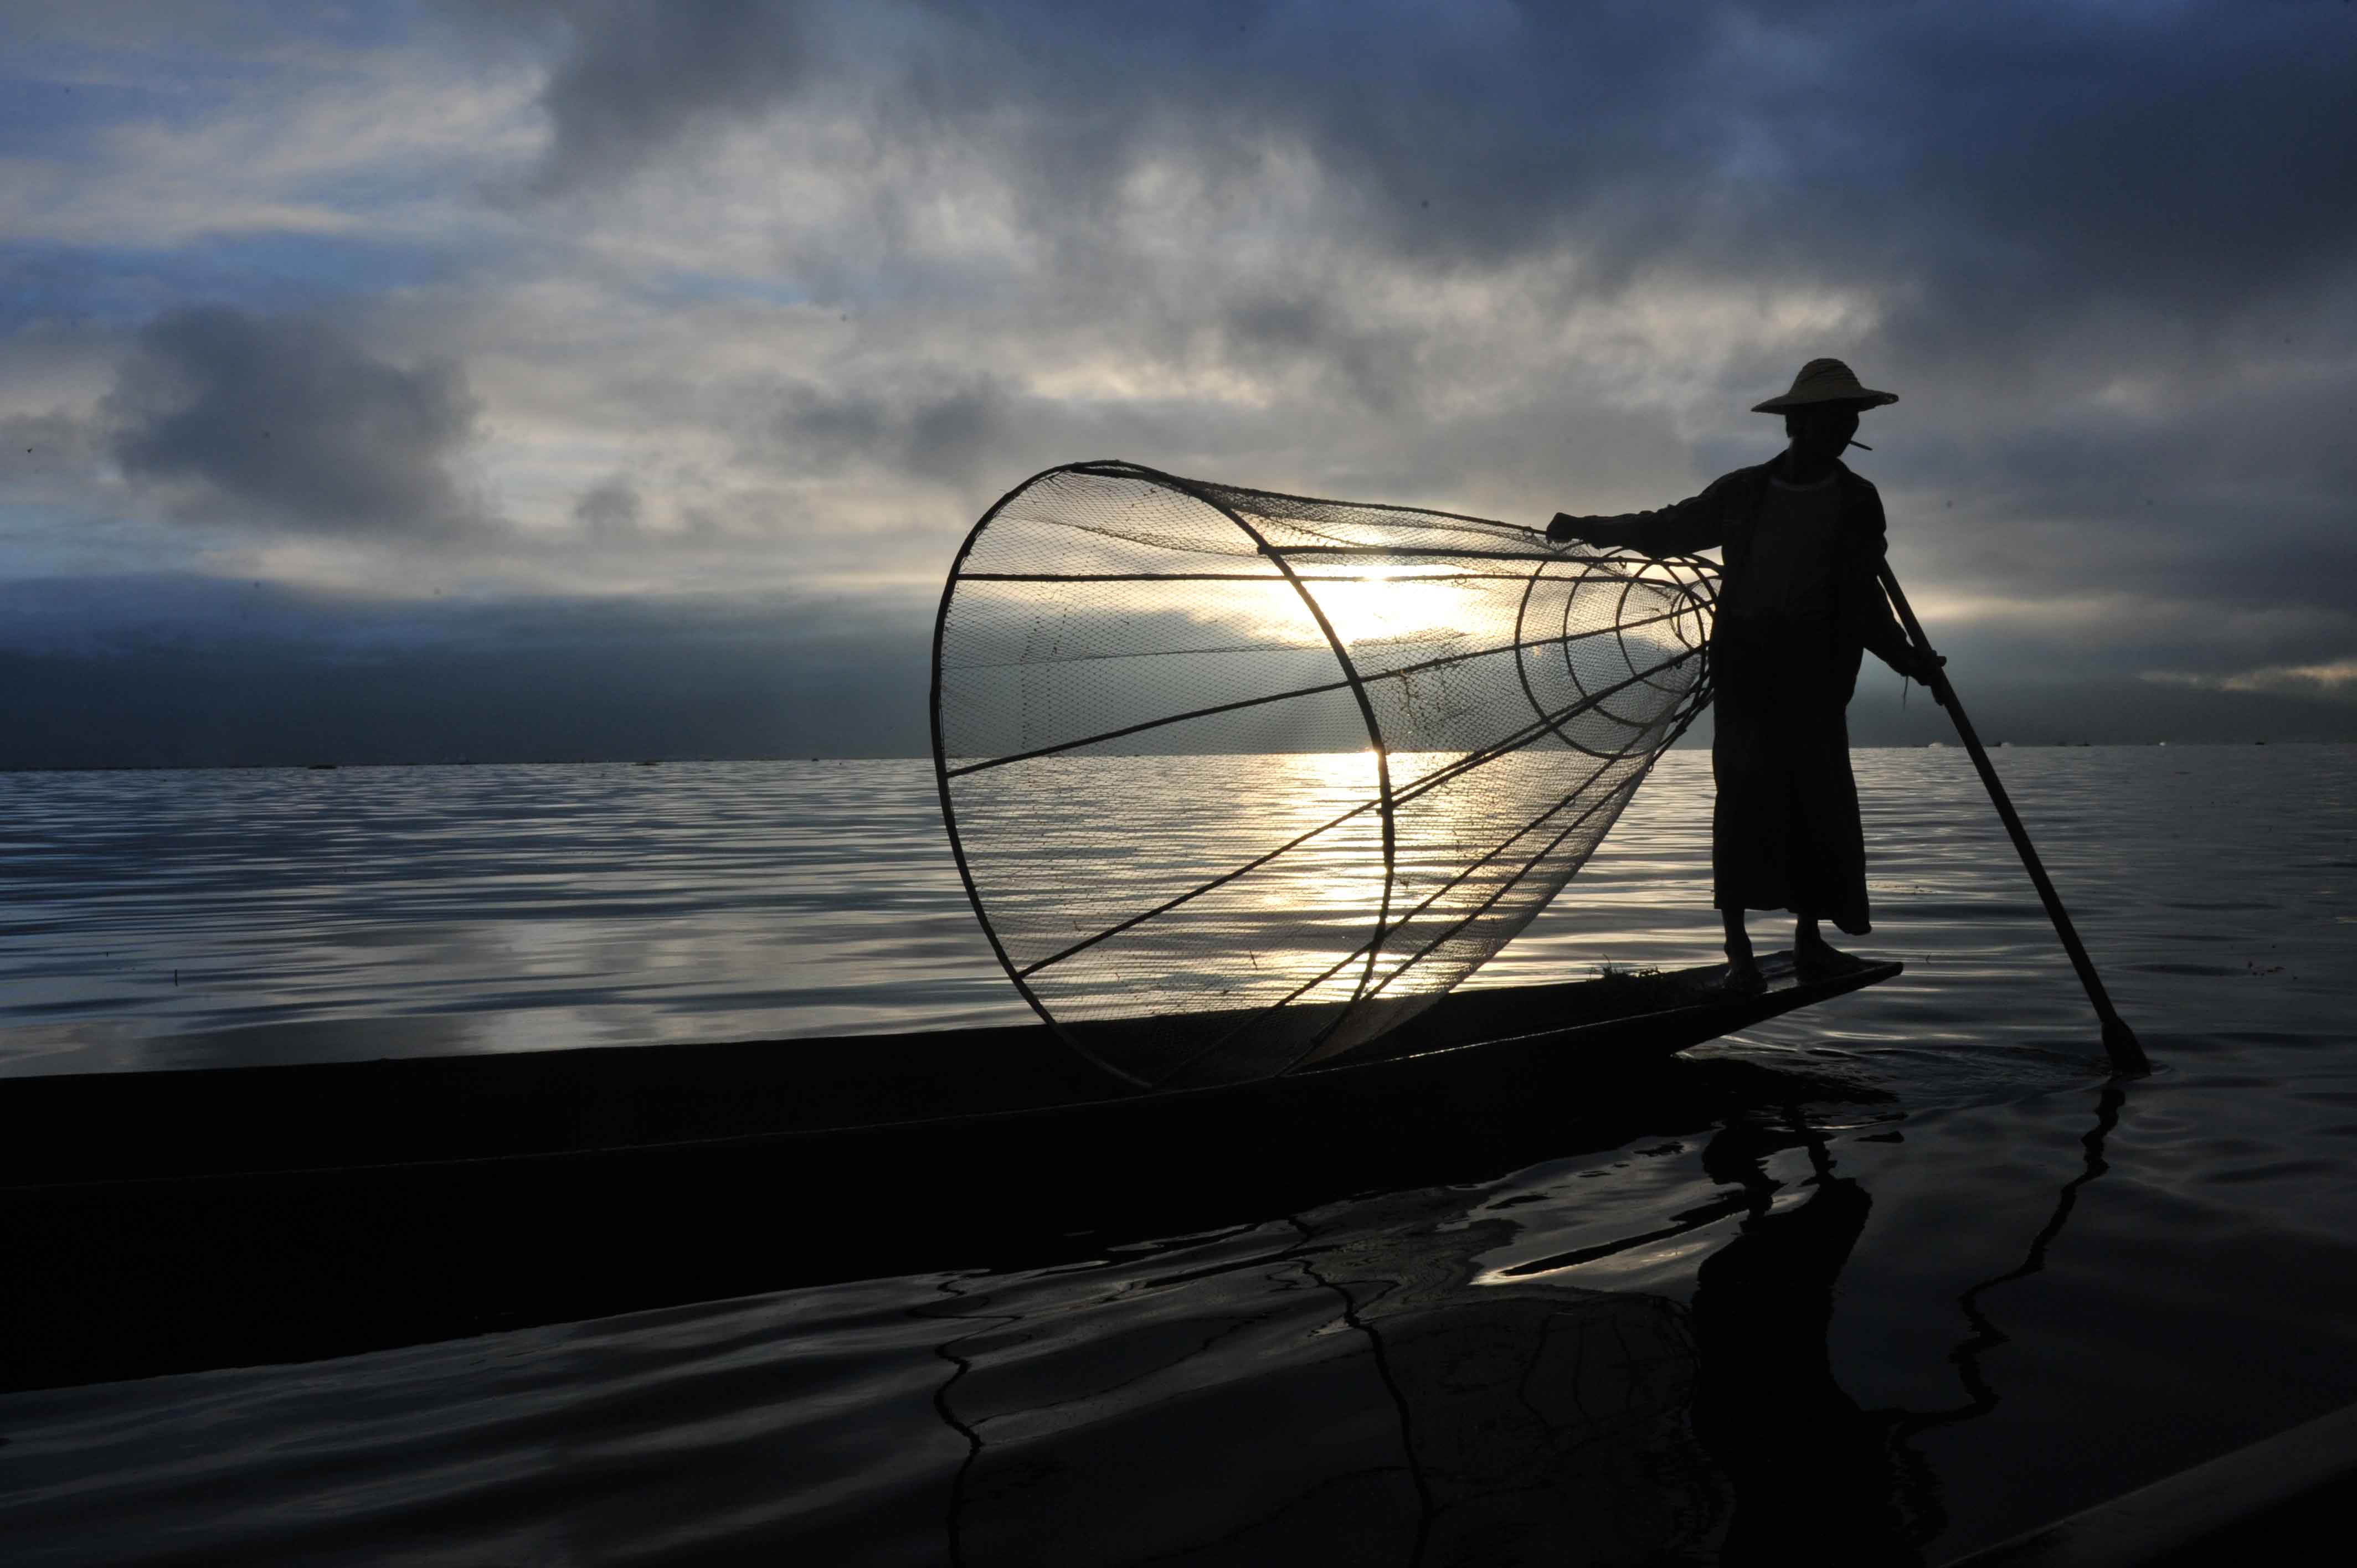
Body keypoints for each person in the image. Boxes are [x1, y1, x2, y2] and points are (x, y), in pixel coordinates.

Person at [1546, 358, 1942, 987]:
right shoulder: (1743, 492)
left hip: (1816, 676)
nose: (1839, 428)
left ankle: (1809, 941)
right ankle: (1739, 955)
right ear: (1798, 424)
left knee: (1817, 805)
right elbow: (1665, 529)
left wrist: (1910, 662)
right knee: (1742, 804)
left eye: (1848, 419)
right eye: (1828, 418)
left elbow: (1864, 602)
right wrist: (1589, 529)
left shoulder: (1856, 501)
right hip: (1748, 670)